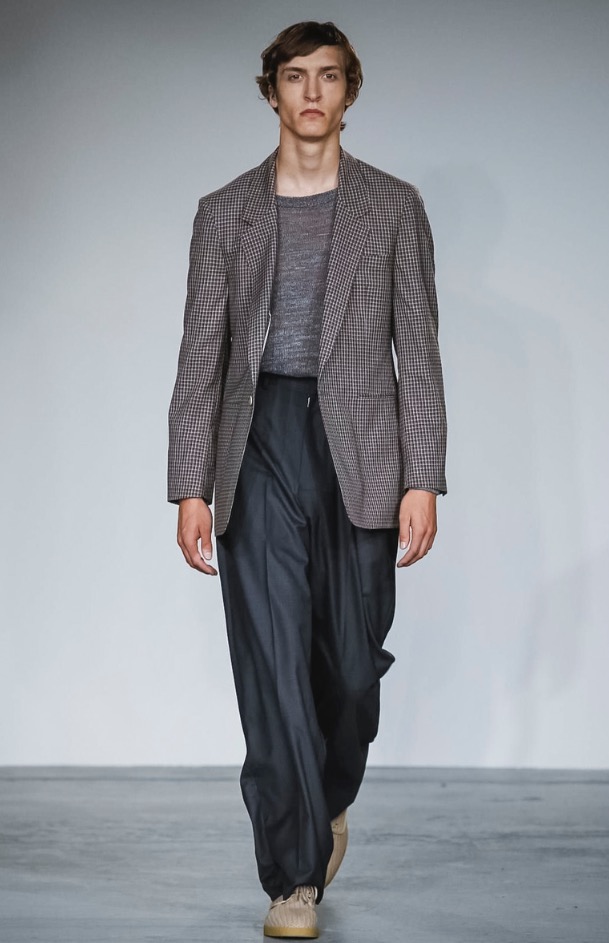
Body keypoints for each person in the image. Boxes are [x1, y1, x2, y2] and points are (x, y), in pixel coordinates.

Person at [167, 20, 447, 939]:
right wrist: (191, 484)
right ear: (273, 91)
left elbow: (418, 351)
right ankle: (292, 876)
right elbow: (201, 356)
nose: (312, 92)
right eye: (296, 77)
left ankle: (325, 803)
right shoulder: (224, 212)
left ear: (348, 90)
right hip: (256, 442)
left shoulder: (393, 206)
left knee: (350, 671)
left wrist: (422, 475)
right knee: (273, 663)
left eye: (328, 76)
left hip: (360, 446)